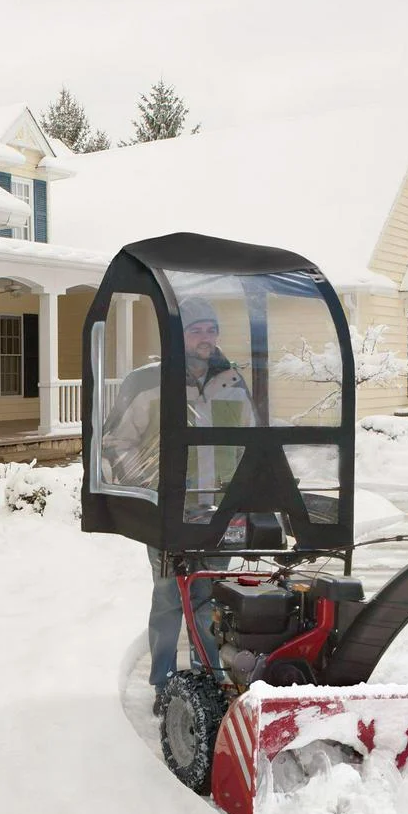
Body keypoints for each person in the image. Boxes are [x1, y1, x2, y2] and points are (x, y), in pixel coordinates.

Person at [98, 296, 252, 716]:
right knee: (168, 597)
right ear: (178, 334)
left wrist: (247, 494)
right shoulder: (151, 382)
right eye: (195, 329)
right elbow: (116, 443)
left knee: (211, 599)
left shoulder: (233, 382)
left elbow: (250, 445)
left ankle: (207, 680)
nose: (205, 337)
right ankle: (163, 684)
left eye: (210, 329)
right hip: (168, 514)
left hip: (220, 513)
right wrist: (150, 489)